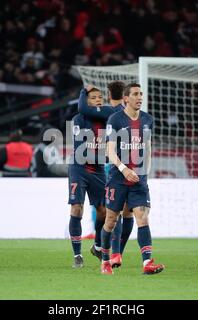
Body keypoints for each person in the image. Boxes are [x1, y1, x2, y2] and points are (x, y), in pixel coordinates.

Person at [100, 83, 165, 275]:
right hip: (118, 178)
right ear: (126, 98)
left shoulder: (148, 119)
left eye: (141, 94)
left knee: (142, 218)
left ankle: (147, 263)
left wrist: (146, 172)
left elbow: (149, 148)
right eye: (135, 94)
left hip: (139, 180)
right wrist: (123, 169)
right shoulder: (115, 119)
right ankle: (105, 260)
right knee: (111, 220)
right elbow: (110, 151)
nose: (140, 97)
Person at [78, 81, 134, 268]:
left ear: (109, 94)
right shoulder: (132, 113)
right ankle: (115, 252)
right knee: (129, 213)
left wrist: (83, 93)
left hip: (115, 166)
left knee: (114, 212)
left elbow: (83, 108)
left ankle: (111, 252)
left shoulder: (110, 111)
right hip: (134, 165)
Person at [68, 86, 109, 268]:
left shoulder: (107, 120)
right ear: (86, 101)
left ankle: (97, 247)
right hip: (79, 167)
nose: (99, 99)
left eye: (100, 97)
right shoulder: (79, 119)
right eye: (94, 97)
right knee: (77, 208)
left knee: (104, 211)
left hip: (98, 169)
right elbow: (82, 145)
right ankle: (77, 255)